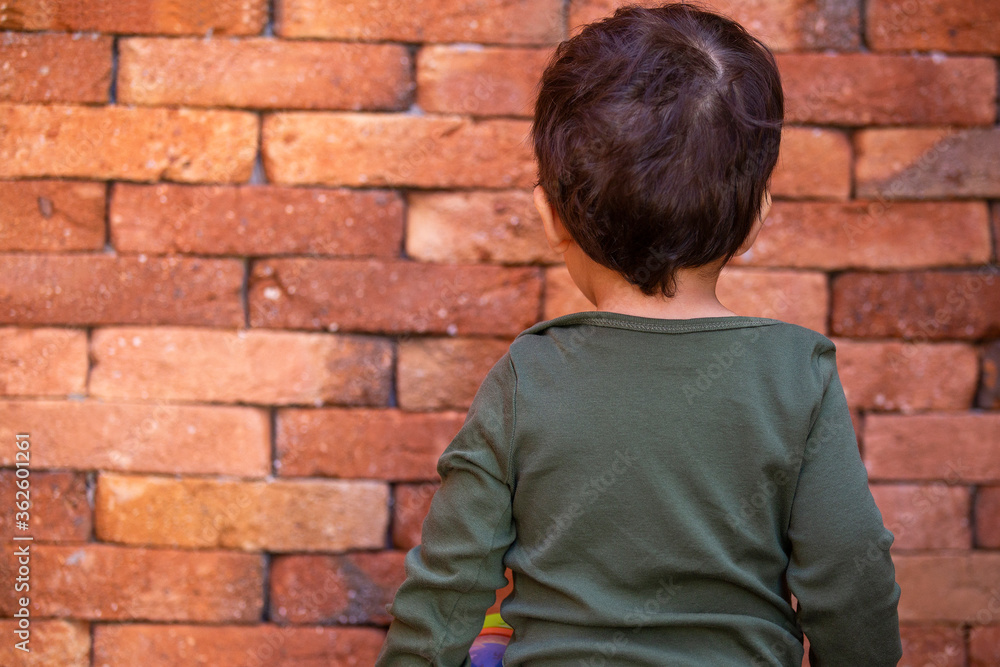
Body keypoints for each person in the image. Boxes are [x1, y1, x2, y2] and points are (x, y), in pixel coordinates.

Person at [375, 3, 902, 665]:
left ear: (550, 216)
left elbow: (448, 593)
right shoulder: (797, 374)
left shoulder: (527, 377)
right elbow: (852, 580)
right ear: (755, 220)